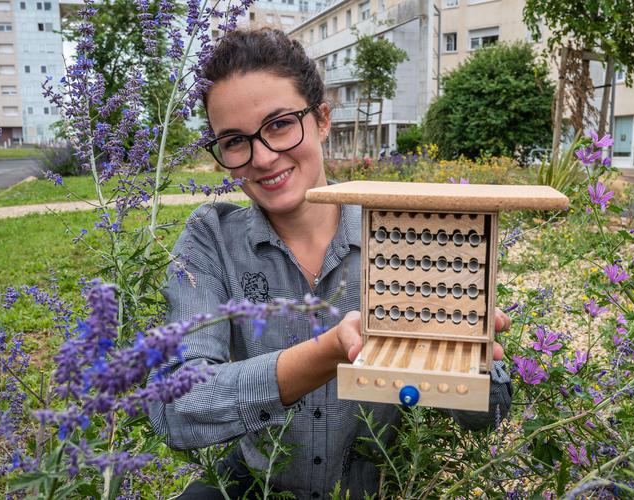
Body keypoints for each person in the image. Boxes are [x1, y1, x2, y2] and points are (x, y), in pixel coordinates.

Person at [147, 28, 512, 499]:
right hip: (259, 483)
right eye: (235, 141)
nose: (263, 157)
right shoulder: (211, 239)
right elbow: (175, 406)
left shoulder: (411, 233)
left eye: (280, 124)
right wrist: (328, 353)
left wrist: (462, 354)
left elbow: (489, 416)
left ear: (321, 120)